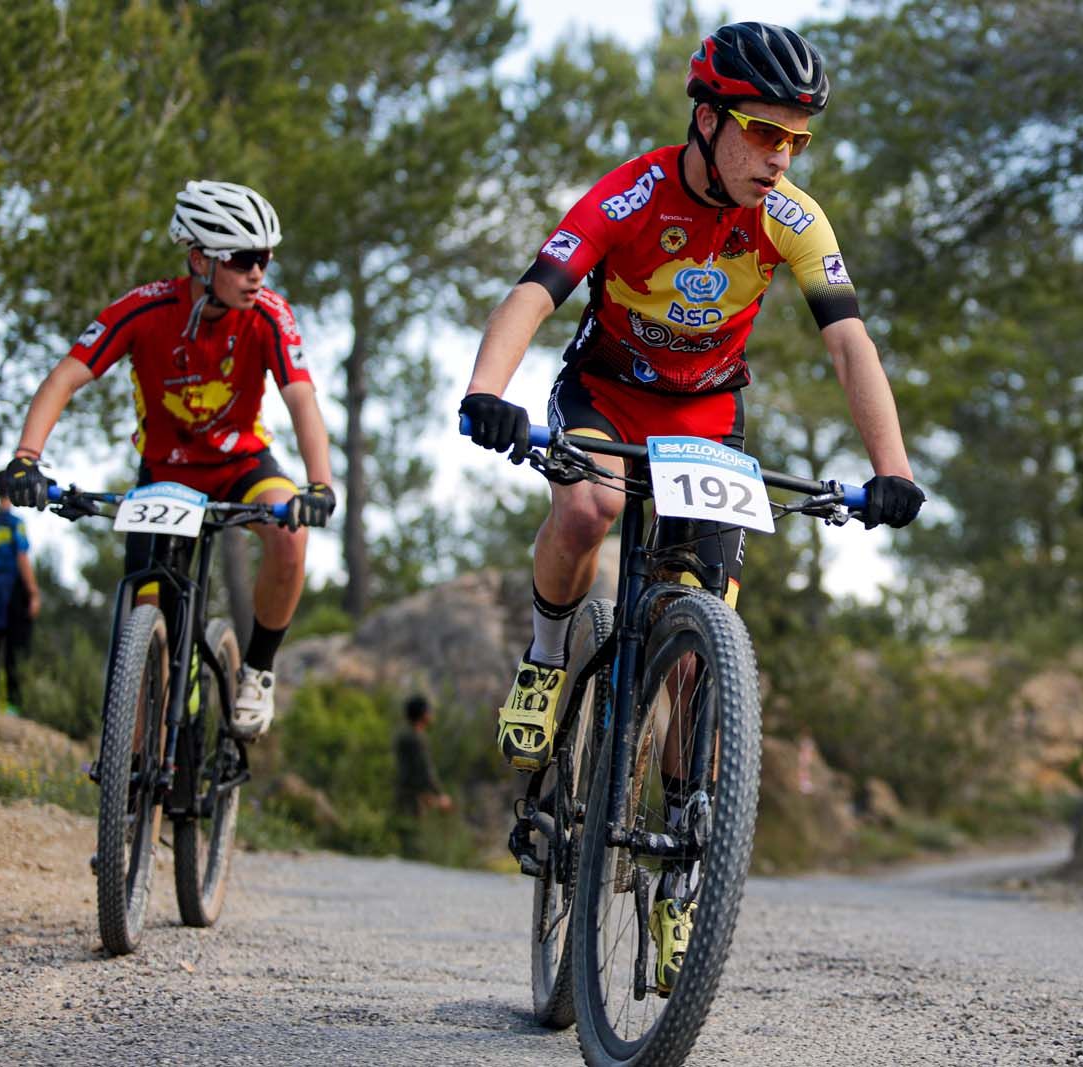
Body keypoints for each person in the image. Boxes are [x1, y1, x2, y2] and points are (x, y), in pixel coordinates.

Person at [458, 22, 924, 993]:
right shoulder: (632, 192)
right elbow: (536, 291)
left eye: (796, 140)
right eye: (762, 132)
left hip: (708, 422)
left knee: (702, 672)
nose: (779, 156)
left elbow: (846, 342)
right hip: (607, 395)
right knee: (585, 508)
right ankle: (546, 660)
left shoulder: (794, 219)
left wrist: (892, 467)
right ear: (707, 119)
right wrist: (489, 388)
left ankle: (677, 890)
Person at [0, 180, 336, 739]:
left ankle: (257, 670)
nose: (259, 274)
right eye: (244, 260)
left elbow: (300, 395)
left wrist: (318, 485)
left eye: (266, 259)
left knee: (291, 536)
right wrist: (26, 459)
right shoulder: (145, 309)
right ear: (200, 258)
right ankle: (133, 776)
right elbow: (67, 375)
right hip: (165, 478)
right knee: (145, 617)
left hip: (241, 467)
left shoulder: (270, 314)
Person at [0, 492, 41, 712]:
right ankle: (12, 705)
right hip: (11, 590)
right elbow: (22, 557)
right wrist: (33, 592)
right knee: (16, 649)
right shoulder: (15, 524)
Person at [394, 694, 452, 854]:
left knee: (403, 831)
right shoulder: (417, 739)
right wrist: (440, 795)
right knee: (414, 838)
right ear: (422, 714)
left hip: (402, 791)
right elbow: (426, 770)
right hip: (414, 797)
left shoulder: (402, 735)